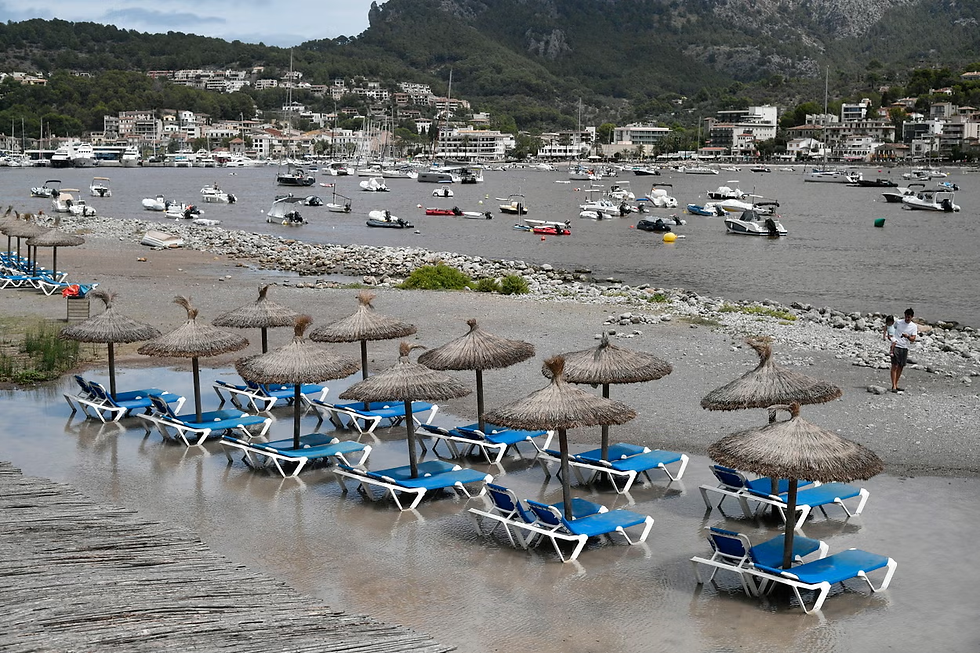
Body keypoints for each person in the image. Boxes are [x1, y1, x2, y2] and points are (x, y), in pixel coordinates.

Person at [890, 308, 918, 393]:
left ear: (912, 317)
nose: (907, 318)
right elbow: (891, 329)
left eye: (908, 317)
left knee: (901, 366)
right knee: (894, 365)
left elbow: (913, 339)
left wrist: (907, 337)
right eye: (906, 316)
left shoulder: (913, 326)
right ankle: (894, 386)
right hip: (896, 346)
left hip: (904, 347)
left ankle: (896, 384)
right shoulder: (898, 322)